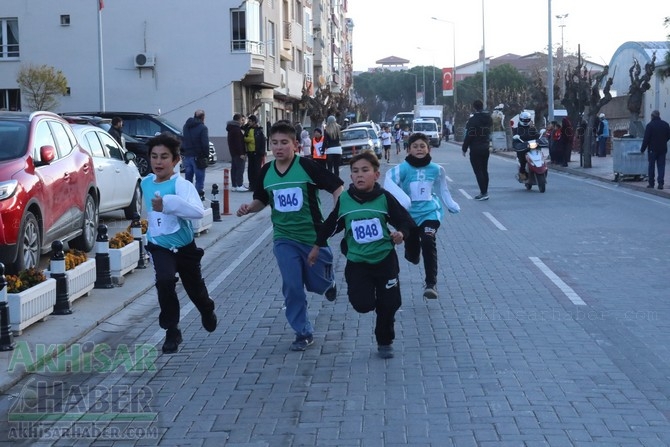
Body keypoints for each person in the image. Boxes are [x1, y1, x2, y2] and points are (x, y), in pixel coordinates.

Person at [236, 121, 344, 351]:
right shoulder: (266, 172)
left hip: (313, 237)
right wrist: (249, 208)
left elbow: (336, 186)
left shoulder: (306, 166)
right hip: (284, 238)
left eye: (284, 142)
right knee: (293, 285)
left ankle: (329, 281)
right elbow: (261, 200)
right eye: (274, 143)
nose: (279, 147)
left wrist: (338, 210)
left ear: (295, 144)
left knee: (317, 284)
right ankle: (302, 332)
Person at [309, 151, 417, 359]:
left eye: (365, 171)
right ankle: (380, 305)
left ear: (376, 175)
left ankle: (385, 341)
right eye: (355, 171)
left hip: (385, 260)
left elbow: (405, 221)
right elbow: (332, 225)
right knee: (362, 304)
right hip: (357, 262)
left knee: (389, 304)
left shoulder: (385, 198)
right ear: (351, 177)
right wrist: (316, 246)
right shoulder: (346, 200)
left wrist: (401, 234)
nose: (359, 175)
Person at [141, 132, 217, 354]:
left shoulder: (181, 186)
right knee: (164, 282)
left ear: (175, 160)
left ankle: (207, 309)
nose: (158, 162)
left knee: (195, 290)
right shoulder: (145, 182)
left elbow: (196, 212)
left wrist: (167, 203)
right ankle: (171, 330)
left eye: (164, 157)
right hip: (159, 246)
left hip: (184, 248)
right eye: (154, 156)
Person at [385, 132, 460, 299]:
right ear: (408, 150)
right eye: (415, 146)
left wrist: (451, 205)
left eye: (422, 146)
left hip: (430, 213)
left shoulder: (436, 169)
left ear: (429, 149)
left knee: (428, 240)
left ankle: (431, 284)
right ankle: (412, 253)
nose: (419, 149)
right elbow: (388, 181)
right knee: (412, 253)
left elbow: (443, 189)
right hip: (409, 217)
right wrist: (403, 200)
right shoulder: (403, 168)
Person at [462, 99, 493, 200]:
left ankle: (483, 193)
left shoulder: (473, 120)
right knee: (484, 170)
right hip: (485, 146)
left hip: (475, 148)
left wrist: (464, 148)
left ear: (474, 107)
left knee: (478, 171)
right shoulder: (488, 118)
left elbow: (469, 135)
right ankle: (485, 191)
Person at [181, 109, 210, 200]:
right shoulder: (203, 128)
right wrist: (206, 155)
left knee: (188, 178)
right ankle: (197, 198)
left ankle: (188, 197)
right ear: (203, 117)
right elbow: (205, 143)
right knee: (199, 179)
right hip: (198, 156)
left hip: (187, 155)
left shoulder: (186, 126)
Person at [640, 110, 670, 190]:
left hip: (652, 149)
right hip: (662, 149)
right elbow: (668, 136)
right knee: (661, 166)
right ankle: (660, 184)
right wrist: (663, 141)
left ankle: (651, 183)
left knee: (651, 166)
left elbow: (646, 139)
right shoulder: (665, 125)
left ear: (652, 116)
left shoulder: (650, 125)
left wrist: (642, 149)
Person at [512, 110, 540, 182]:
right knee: (522, 160)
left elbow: (537, 136)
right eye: (524, 120)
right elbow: (514, 140)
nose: (525, 121)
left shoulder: (532, 128)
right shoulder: (516, 129)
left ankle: (540, 168)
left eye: (527, 120)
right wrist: (517, 144)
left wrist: (541, 137)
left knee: (540, 154)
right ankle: (522, 172)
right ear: (520, 119)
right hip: (522, 148)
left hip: (532, 147)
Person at [243, 115, 266, 192]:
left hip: (257, 152)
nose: (248, 122)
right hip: (250, 152)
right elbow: (243, 128)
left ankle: (257, 185)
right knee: (250, 170)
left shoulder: (259, 130)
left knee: (257, 170)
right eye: (248, 121)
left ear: (254, 122)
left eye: (250, 121)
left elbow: (255, 140)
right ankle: (251, 185)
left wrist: (262, 152)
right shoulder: (248, 129)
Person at [226, 113, 248, 192]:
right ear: (238, 120)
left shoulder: (231, 128)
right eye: (242, 120)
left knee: (234, 169)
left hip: (233, 152)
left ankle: (234, 185)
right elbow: (238, 142)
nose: (242, 122)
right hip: (238, 153)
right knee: (240, 169)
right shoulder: (236, 129)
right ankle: (239, 184)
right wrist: (241, 153)